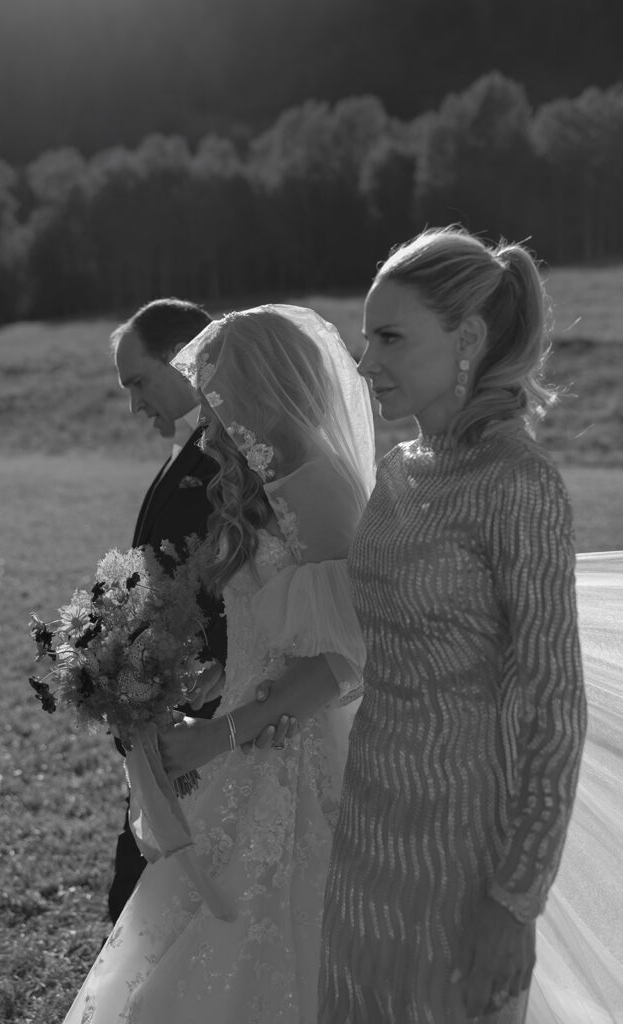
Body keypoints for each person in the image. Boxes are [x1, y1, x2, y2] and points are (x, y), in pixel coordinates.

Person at [62, 304, 375, 1023]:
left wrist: (222, 732)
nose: (207, 407)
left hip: (294, 756)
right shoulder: (258, 483)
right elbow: (275, 626)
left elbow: (346, 657)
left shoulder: (320, 486)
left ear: (262, 384)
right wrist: (212, 680)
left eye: (216, 388)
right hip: (247, 734)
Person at [318, 227, 588, 1024]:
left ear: (467, 338)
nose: (366, 362)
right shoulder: (397, 468)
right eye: (367, 338)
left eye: (391, 337)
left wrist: (514, 900)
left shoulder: (521, 484)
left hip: (460, 846)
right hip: (366, 815)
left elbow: (549, 706)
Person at [107, 297, 227, 922]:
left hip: (213, 726)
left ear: (186, 360)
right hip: (167, 718)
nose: (133, 403)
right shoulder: (189, 449)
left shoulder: (234, 461)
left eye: (138, 381)